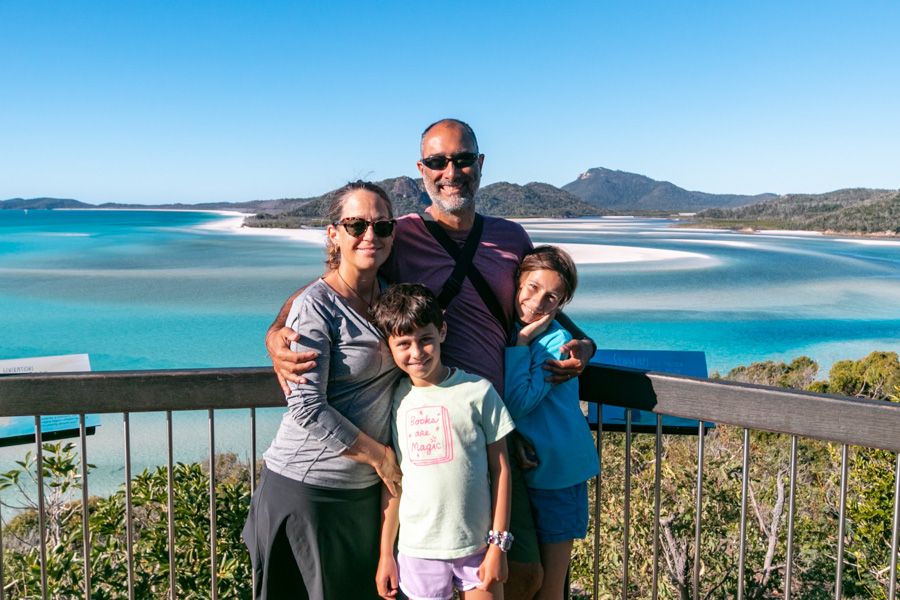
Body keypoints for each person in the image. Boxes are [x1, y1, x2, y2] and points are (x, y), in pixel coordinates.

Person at [266, 118, 597, 598]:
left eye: (462, 159)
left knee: (520, 572)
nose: (451, 171)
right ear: (422, 169)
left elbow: (542, 302)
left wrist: (585, 345)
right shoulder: (396, 234)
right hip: (425, 430)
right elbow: (333, 281)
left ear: (479, 165)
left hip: (495, 422)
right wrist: (277, 329)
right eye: (438, 161)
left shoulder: (511, 238)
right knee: (428, 572)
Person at [243, 181, 404, 600]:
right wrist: (381, 458)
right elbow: (308, 409)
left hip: (362, 495)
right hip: (308, 490)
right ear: (334, 234)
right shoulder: (316, 306)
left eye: (382, 226)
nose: (370, 235)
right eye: (356, 225)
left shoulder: (390, 298)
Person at [371, 284, 514, 600]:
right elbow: (394, 482)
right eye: (404, 344)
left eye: (425, 340)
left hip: (478, 546)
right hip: (417, 549)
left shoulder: (478, 392)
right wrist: (386, 555)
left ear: (443, 332)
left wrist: (498, 545)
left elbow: (501, 470)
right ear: (390, 347)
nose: (417, 352)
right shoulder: (396, 401)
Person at [503, 246, 600, 600]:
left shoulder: (557, 343)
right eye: (531, 287)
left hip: (559, 473)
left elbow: (518, 400)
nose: (536, 302)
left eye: (551, 297)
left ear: (561, 304)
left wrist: (522, 343)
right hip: (531, 468)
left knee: (550, 587)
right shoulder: (509, 328)